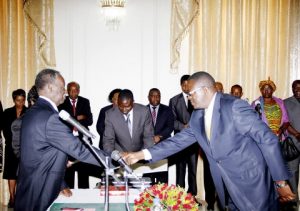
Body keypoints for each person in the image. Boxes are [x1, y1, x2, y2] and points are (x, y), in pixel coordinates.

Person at [124, 71, 295, 211]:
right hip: (226, 186)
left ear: (204, 90)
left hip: (252, 184)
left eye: (190, 94)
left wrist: (280, 181)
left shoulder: (234, 106)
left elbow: (268, 139)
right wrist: (141, 154)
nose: (188, 98)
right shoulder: (198, 115)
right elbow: (178, 141)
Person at [14, 69, 112, 211]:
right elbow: (80, 150)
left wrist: (60, 184)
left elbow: (42, 153)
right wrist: (117, 160)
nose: (65, 93)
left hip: (31, 186)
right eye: (62, 88)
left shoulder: (33, 112)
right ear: (50, 87)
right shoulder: (50, 117)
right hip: (39, 191)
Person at [58, 81, 94, 189]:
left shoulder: (85, 101)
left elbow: (90, 120)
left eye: (75, 90)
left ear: (78, 91)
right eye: (71, 90)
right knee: (69, 172)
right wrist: (78, 117)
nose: (73, 92)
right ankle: (70, 198)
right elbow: (60, 120)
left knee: (84, 171)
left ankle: (84, 198)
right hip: (68, 141)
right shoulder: (61, 102)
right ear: (67, 91)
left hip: (82, 141)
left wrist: (81, 118)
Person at [169, 75, 198, 196]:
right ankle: (179, 196)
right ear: (181, 85)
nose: (186, 87)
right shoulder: (174, 100)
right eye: (184, 85)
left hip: (195, 140)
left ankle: (192, 195)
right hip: (180, 140)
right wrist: (183, 126)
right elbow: (171, 120)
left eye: (188, 84)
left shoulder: (197, 98)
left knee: (193, 169)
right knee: (180, 169)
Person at [102, 89, 154, 155]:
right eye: (120, 106)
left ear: (133, 102)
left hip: (140, 152)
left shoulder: (144, 112)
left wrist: (142, 155)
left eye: (127, 107)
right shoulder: (110, 115)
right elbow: (108, 140)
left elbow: (148, 136)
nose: (124, 110)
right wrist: (114, 155)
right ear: (118, 102)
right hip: (119, 154)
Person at [2, 89, 27, 208]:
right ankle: (12, 198)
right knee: (11, 173)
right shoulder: (7, 112)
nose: (20, 103)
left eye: (22, 100)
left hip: (25, 148)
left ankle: (21, 198)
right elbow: (4, 129)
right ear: (14, 100)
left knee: (23, 173)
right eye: (18, 101)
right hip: (10, 147)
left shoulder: (29, 112)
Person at [145, 88, 174, 183]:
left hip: (163, 144)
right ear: (148, 97)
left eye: (158, 96)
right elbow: (139, 127)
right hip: (147, 146)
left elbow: (170, 127)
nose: (156, 98)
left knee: (162, 172)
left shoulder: (167, 110)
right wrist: (150, 138)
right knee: (147, 172)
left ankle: (162, 194)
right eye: (153, 95)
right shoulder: (142, 110)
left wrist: (160, 136)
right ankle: (147, 194)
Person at [283, 80, 300, 210]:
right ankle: (294, 200)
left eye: (299, 87)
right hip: (293, 144)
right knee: (293, 173)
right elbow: (285, 123)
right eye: (295, 88)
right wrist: (297, 134)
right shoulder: (286, 103)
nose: (297, 90)